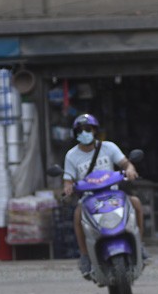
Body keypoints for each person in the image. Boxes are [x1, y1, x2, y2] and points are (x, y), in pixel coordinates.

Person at [62, 113, 144, 277]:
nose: (84, 132)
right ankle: (85, 256)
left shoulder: (109, 147)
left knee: (135, 203)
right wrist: (68, 188)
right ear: (75, 133)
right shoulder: (71, 156)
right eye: (80, 130)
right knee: (77, 215)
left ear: (94, 130)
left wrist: (130, 169)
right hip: (88, 199)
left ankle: (140, 245)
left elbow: (125, 163)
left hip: (114, 194)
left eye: (88, 129)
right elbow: (67, 181)